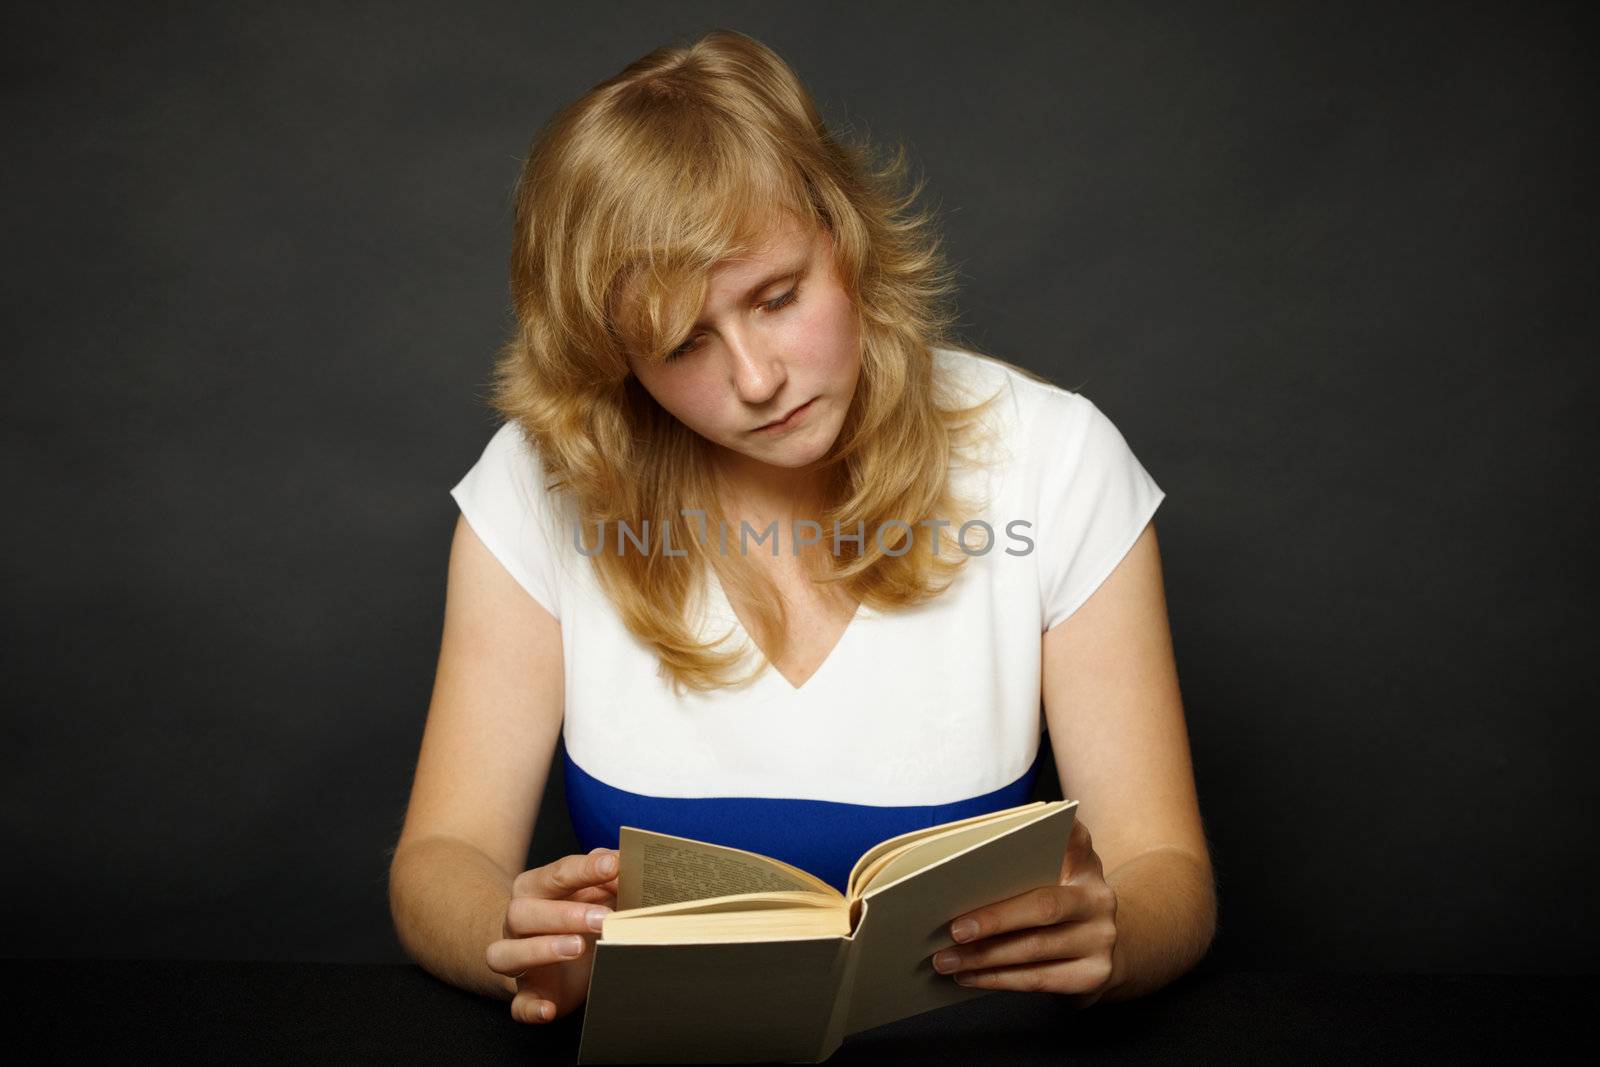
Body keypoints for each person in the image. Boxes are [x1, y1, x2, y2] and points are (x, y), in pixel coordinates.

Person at [387, 28, 1216, 1030]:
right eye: (682, 342)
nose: (755, 378)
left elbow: (1166, 873)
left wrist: (1114, 934)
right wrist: (511, 936)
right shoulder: (534, 487)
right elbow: (443, 858)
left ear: (847, 236)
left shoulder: (1056, 458)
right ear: (617, 359)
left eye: (776, 297)